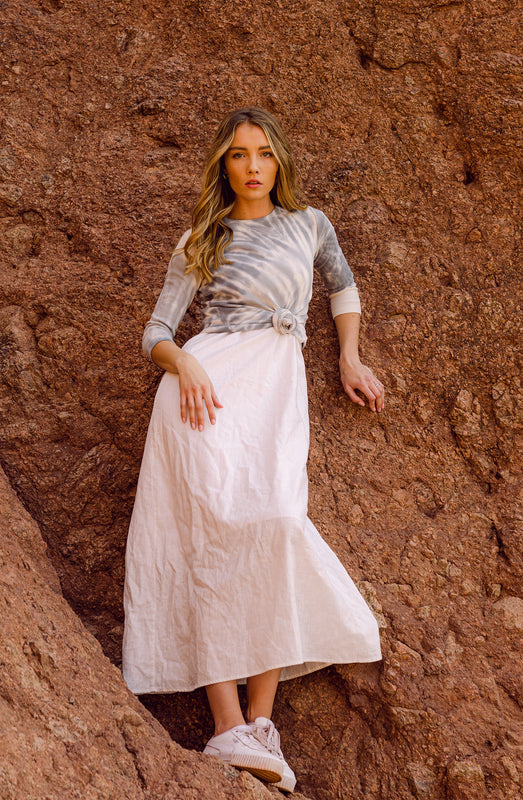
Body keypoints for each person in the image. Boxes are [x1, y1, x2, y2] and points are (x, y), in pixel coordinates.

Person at [122, 107, 384, 793]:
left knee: (275, 528)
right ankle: (227, 726)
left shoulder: (310, 224)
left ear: (279, 161)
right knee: (207, 543)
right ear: (224, 164)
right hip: (203, 397)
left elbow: (342, 286)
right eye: (239, 155)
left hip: (274, 392)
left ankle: (260, 725)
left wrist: (349, 358)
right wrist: (185, 362)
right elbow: (155, 331)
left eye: (263, 153)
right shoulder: (202, 235)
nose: (252, 166)